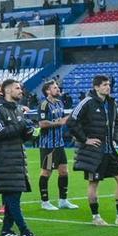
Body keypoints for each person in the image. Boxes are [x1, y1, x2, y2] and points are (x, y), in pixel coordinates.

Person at [69, 75, 118, 227]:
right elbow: (71, 121)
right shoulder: (87, 102)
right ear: (96, 87)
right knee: (93, 183)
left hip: (110, 151)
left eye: (109, 84)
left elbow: (117, 122)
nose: (108, 87)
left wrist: (115, 138)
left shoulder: (111, 103)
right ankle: (96, 217)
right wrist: (85, 139)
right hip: (94, 152)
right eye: (104, 85)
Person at [0, 79, 39, 236]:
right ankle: (25, 230)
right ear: (7, 91)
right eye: (17, 88)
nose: (20, 90)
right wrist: (21, 124)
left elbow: (19, 134)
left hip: (15, 159)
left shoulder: (17, 109)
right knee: (12, 196)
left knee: (13, 195)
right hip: (2, 161)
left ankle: (7, 230)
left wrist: (31, 133)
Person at [37, 81, 77, 211]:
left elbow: (62, 120)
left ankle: (63, 200)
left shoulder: (60, 103)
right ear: (48, 91)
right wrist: (59, 122)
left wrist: (67, 119)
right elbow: (42, 123)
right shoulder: (44, 104)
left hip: (59, 144)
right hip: (48, 145)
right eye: (55, 87)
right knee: (46, 172)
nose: (58, 89)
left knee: (64, 171)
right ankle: (45, 202)